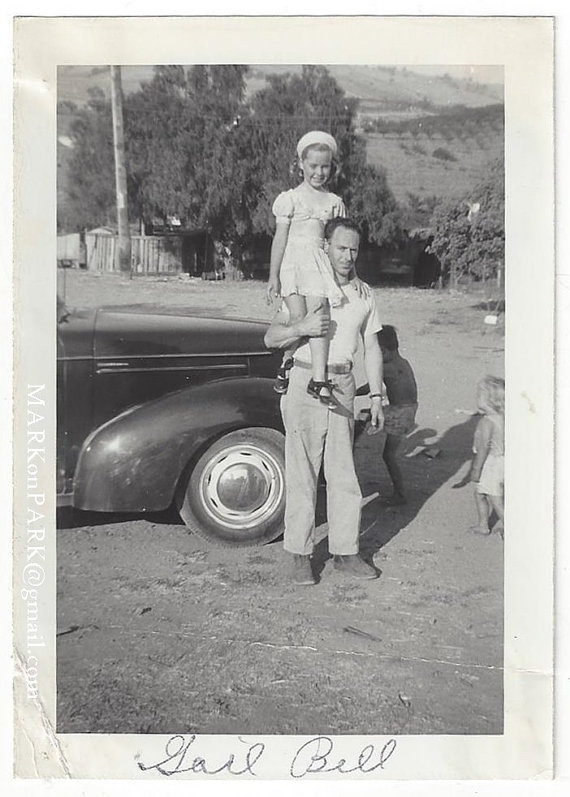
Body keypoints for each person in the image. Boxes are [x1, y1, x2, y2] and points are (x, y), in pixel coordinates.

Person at [264, 217, 385, 585]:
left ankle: (346, 553)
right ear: (326, 248)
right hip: (305, 378)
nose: (347, 256)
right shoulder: (306, 286)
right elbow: (271, 337)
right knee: (302, 470)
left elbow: (373, 346)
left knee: (343, 471)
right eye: (340, 248)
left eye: (353, 250)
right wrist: (301, 329)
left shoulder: (365, 295)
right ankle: (299, 555)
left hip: (344, 381)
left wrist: (377, 394)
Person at [267, 131, 352, 408]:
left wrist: (352, 275)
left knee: (319, 317)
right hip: (292, 263)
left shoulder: (333, 203)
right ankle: (285, 362)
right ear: (300, 164)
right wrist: (273, 276)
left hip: (317, 263)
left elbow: (341, 241)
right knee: (299, 317)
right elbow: (280, 239)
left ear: (332, 167)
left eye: (325, 166)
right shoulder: (290, 199)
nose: (319, 172)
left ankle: (319, 379)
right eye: (313, 166)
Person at [371, 325, 418, 506]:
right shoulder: (403, 362)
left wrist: (355, 393)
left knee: (388, 455)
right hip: (407, 408)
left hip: (400, 412)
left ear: (383, 351)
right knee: (369, 418)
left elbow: (372, 386)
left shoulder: (388, 367)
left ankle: (400, 493)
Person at [468, 375, 505, 536]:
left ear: (488, 400)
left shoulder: (486, 422)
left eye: (479, 395)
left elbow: (482, 448)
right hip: (503, 460)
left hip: (491, 463)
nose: (476, 398)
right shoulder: (502, 418)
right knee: (482, 493)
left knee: (492, 496)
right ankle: (483, 523)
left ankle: (507, 525)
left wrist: (476, 469)